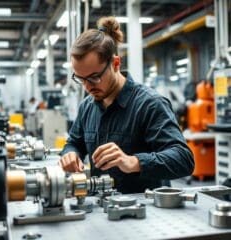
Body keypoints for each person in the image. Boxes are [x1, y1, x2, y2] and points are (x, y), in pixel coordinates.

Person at [59, 16, 194, 194]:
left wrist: (134, 162)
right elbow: (74, 142)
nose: (87, 86)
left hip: (146, 214)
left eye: (94, 77)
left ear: (115, 64)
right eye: (81, 79)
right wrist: (70, 154)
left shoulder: (149, 104)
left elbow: (183, 160)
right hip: (102, 210)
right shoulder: (87, 106)